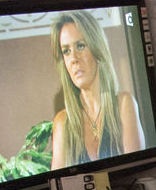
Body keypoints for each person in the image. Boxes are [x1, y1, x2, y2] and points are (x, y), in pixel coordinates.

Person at [50, 11, 146, 170]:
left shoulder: (123, 104)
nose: (73, 59)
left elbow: (137, 171)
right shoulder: (62, 123)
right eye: (66, 51)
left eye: (80, 46)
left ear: (98, 50)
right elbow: (59, 182)